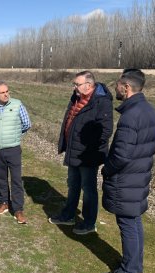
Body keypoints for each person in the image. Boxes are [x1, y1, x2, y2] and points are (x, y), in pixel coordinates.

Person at [100, 69, 155, 273]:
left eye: (117, 84)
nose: (115, 87)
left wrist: (106, 169)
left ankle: (130, 270)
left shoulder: (130, 117)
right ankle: (134, 265)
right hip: (138, 176)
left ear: (126, 87)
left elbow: (121, 155)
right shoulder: (149, 111)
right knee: (133, 221)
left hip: (126, 180)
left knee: (127, 224)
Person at [48, 71, 113, 235]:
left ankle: (89, 223)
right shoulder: (76, 97)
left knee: (88, 189)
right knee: (73, 184)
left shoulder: (101, 102)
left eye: (77, 84)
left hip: (87, 155)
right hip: (73, 150)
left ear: (89, 85)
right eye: (74, 84)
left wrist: (89, 149)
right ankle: (68, 215)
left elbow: (105, 131)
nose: (74, 87)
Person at [0, 80, 31, 224]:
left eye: (7, 91)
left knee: (16, 179)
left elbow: (27, 124)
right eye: (2, 92)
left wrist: (15, 136)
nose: (6, 94)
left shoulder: (17, 104)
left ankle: (18, 210)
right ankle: (4, 203)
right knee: (1, 178)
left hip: (13, 149)